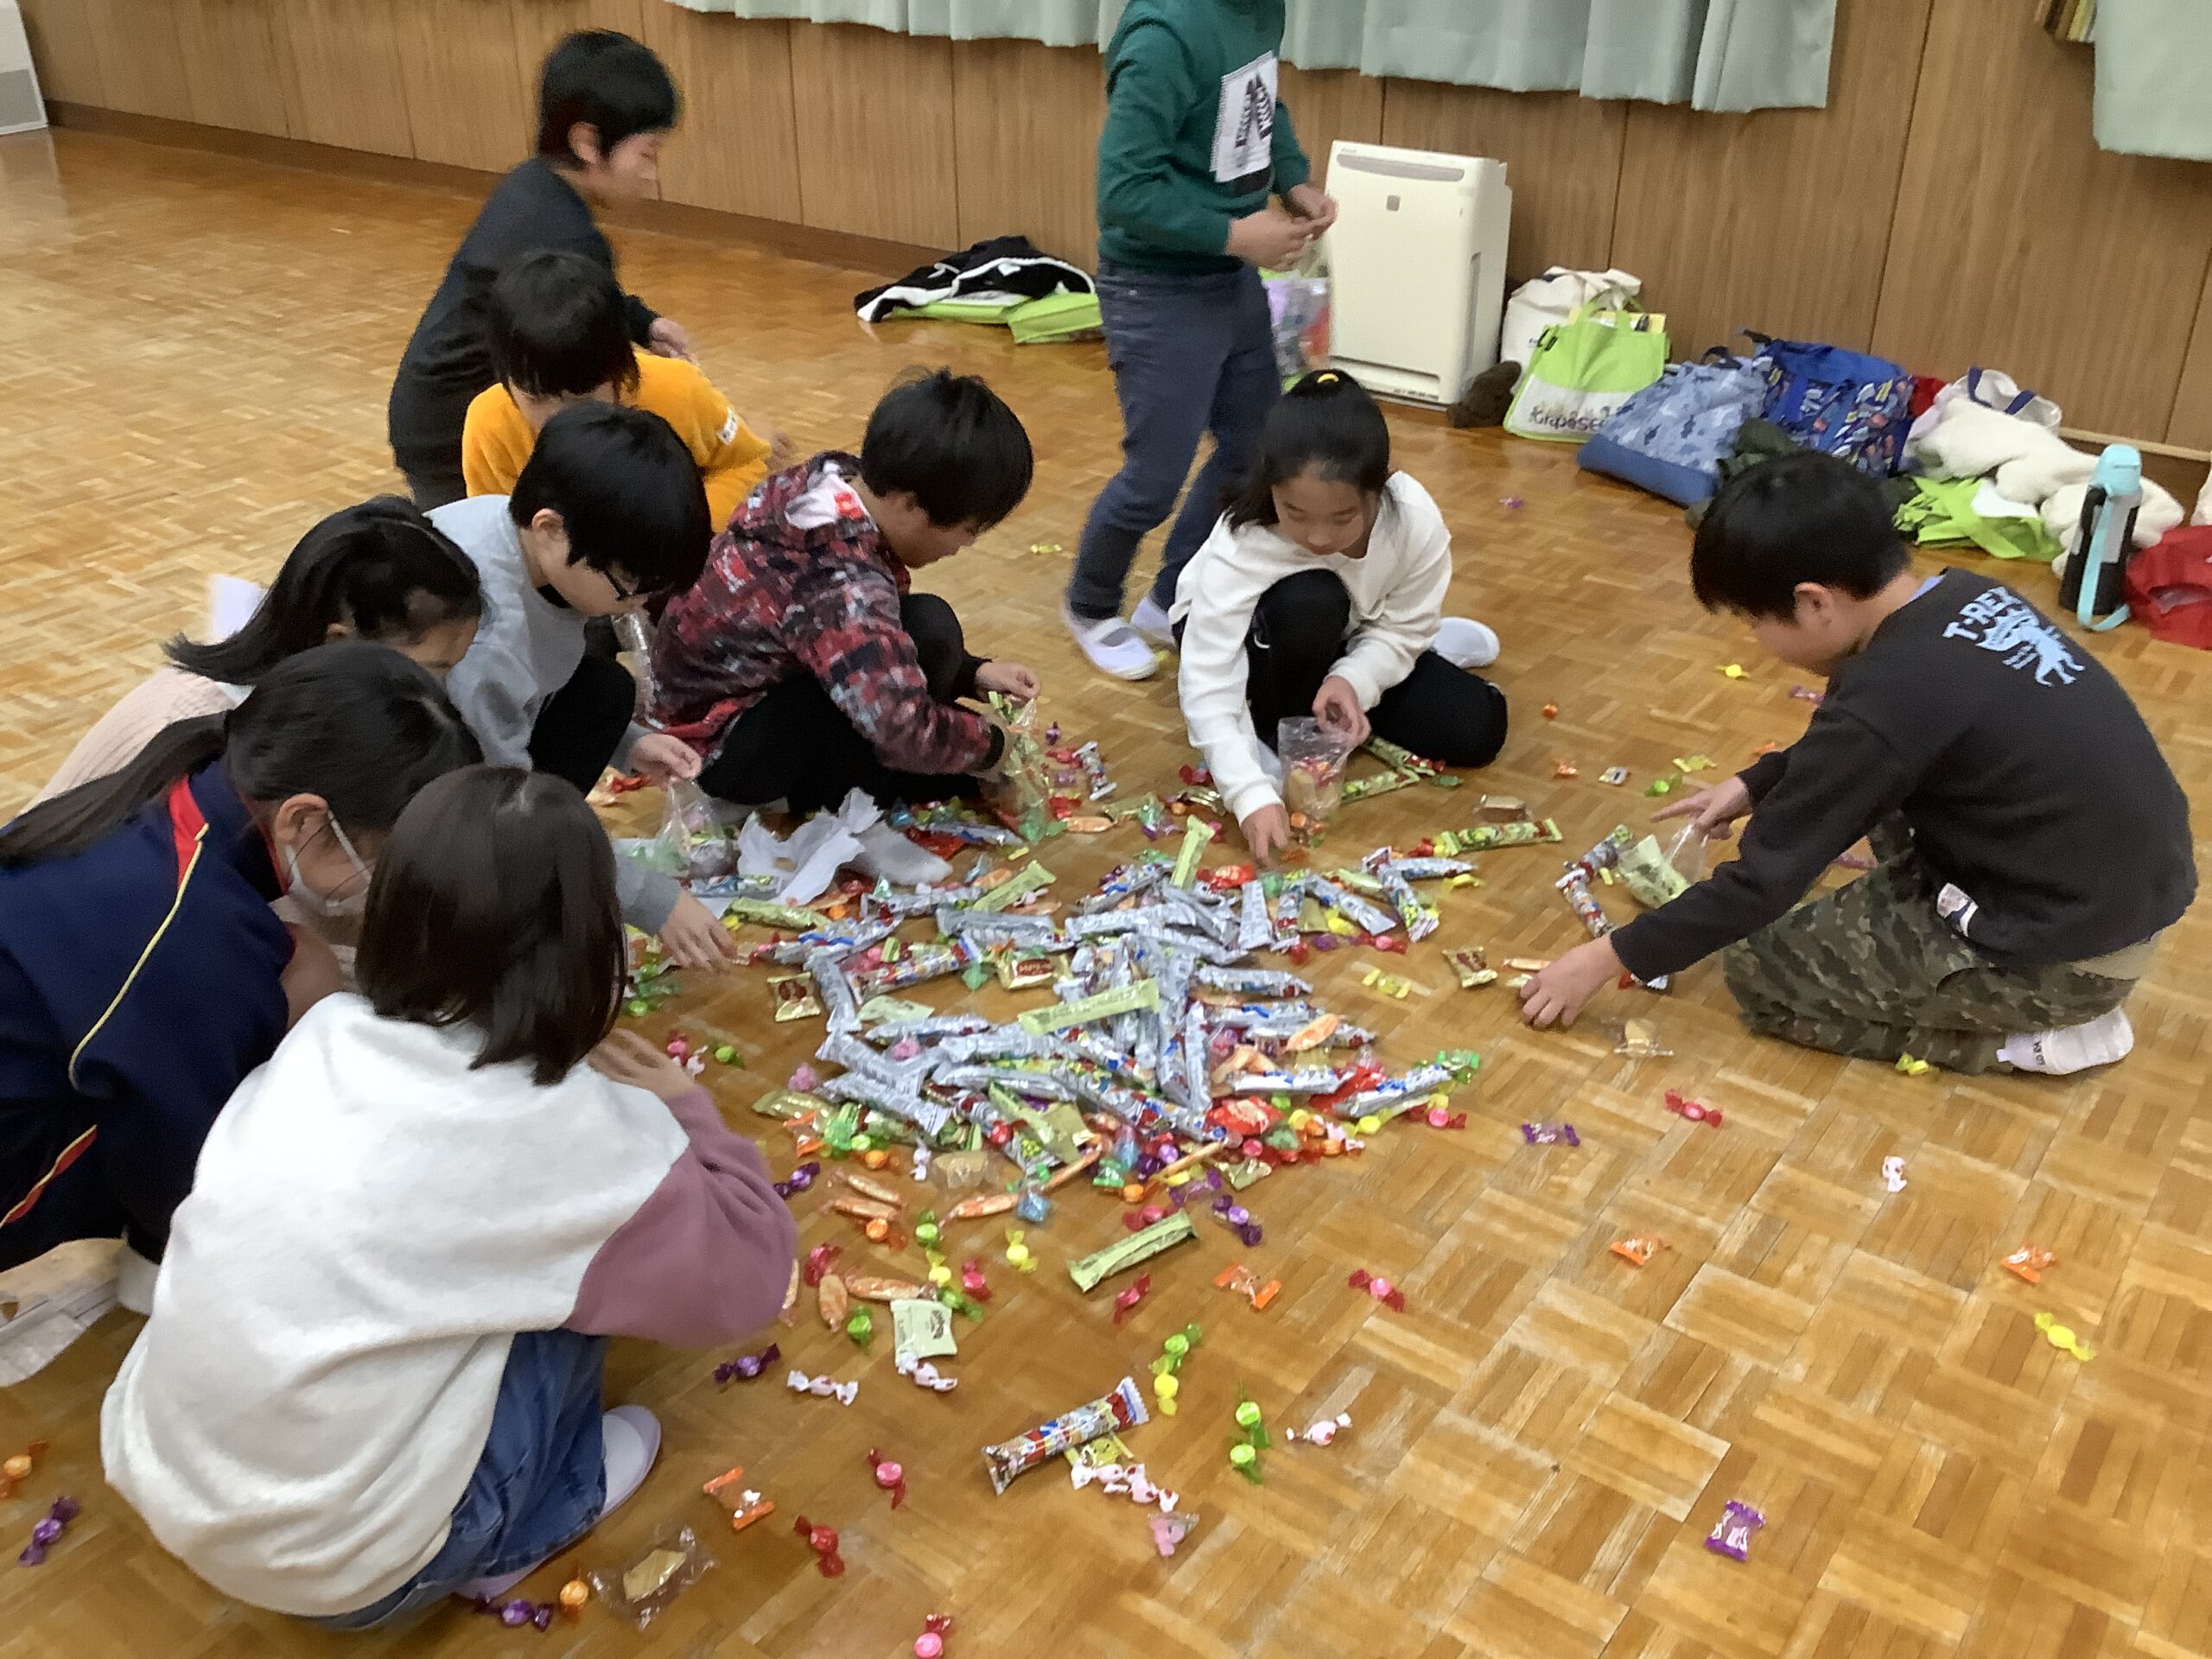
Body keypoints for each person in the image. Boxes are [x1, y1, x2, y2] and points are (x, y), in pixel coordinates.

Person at [101, 766, 798, 1628]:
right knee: (573, 1278)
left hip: (164, 1470)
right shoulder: (574, 1131)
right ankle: (534, 1518)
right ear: (590, 946)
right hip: (348, 1571)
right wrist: (687, 1109)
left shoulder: (326, 1030)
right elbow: (752, 1277)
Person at [1520, 451, 2196, 1075]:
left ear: (1814, 602)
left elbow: (1761, 885)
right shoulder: (1962, 597)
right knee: (1876, 796)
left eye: (1755, 622)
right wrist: (1757, 782)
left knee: (1759, 974)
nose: (1756, 640)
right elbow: (1873, 748)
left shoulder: (1886, 699)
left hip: (2067, 959)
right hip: (2113, 896)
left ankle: (2033, 1043)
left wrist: (1605, 957)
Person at [0, 644, 480, 1288]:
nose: (384, 886)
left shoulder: (179, 789)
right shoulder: (188, 932)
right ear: (304, 818)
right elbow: (184, 1168)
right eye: (386, 862)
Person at [650, 369, 1037, 883]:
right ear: (908, 504)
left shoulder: (827, 481)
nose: (965, 545)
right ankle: (854, 822)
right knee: (903, 703)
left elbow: (869, 636)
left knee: (929, 627)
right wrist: (991, 748)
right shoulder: (841, 579)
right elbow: (896, 724)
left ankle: (841, 787)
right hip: (721, 748)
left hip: (740, 697)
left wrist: (973, 673)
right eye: (967, 531)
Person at [1062, 0, 1338, 681]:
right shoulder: (1165, 35)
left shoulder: (1260, 11)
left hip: (1228, 277)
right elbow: (1125, 192)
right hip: (1154, 289)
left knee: (1254, 451)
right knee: (1153, 480)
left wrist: (1292, 179)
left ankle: (1172, 597)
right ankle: (1090, 605)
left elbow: (1260, 104)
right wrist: (1238, 234)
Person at [432, 402, 734, 969]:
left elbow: (548, 679)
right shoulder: (485, 640)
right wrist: (649, 898)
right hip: (434, 791)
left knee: (605, 691)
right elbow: (504, 801)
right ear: (551, 528)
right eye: (628, 588)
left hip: (478, 737)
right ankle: (521, 895)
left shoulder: (511, 522)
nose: (637, 606)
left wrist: (630, 742)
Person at [1173, 371, 1506, 865]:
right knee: (1313, 596)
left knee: (1478, 729)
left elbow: (1403, 628)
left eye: (1342, 517)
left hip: (1344, 634)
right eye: (1295, 512)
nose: (1319, 537)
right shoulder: (1246, 539)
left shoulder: (1413, 518)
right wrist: (1248, 792)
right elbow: (1208, 675)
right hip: (1249, 640)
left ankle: (1375, 663)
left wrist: (1353, 680)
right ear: (1271, 486)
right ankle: (1269, 724)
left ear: (1380, 487)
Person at [388, 29, 694, 509]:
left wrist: (643, 322)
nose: (652, 176)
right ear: (588, 142)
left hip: (427, 412)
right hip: (457, 432)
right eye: (648, 154)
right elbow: (606, 384)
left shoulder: (533, 185)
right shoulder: (570, 239)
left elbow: (586, 296)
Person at [37, 499, 482, 804]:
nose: (440, 697)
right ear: (338, 642)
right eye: (432, 672)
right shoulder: (200, 733)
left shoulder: (299, 716)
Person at [463, 250, 781, 532]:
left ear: (623, 372)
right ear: (505, 380)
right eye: (534, 398)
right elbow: (494, 528)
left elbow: (746, 463)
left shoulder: (679, 391)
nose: (557, 419)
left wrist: (683, 530)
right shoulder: (490, 426)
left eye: (581, 400)